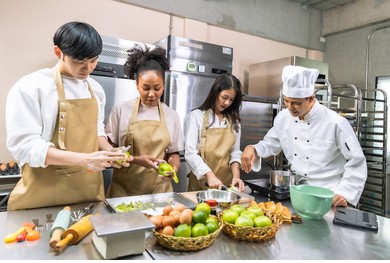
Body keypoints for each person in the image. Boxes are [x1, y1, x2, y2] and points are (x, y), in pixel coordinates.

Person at [5, 21, 129, 211]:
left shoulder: (95, 89)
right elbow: (24, 147)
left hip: (87, 194)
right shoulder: (31, 87)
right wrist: (85, 160)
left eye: (93, 60)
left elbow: (96, 131)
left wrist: (109, 151)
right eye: (80, 61)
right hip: (42, 195)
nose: (88, 69)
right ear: (58, 52)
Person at [241, 65, 367, 207]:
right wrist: (254, 148)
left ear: (311, 99)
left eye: (296, 103)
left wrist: (345, 194)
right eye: (287, 101)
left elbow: (356, 161)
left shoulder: (335, 123)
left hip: (329, 196)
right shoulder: (283, 118)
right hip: (298, 193)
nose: (290, 107)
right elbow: (271, 144)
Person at [105, 44, 184, 197]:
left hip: (160, 191)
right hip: (124, 191)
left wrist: (173, 168)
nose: (151, 94)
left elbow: (173, 153)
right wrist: (134, 159)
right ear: (137, 85)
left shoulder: (171, 115)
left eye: (157, 88)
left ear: (164, 86)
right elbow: (110, 150)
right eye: (145, 88)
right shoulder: (121, 110)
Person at [184, 73, 245, 192]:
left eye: (231, 100)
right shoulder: (196, 116)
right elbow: (190, 153)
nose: (227, 103)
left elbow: (235, 152)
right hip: (201, 185)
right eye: (224, 97)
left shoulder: (234, 122)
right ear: (215, 93)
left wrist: (236, 176)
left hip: (226, 187)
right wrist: (209, 175)